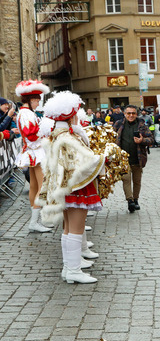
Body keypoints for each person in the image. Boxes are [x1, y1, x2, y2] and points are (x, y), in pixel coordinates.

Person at [37, 91, 105, 284]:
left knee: (68, 229)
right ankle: (73, 270)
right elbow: (81, 162)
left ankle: (69, 268)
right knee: (75, 229)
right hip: (74, 187)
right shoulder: (67, 136)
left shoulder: (57, 135)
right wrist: (103, 157)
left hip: (63, 187)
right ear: (70, 116)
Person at [15, 80, 52, 233]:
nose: (38, 103)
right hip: (36, 151)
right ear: (30, 100)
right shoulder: (27, 114)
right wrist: (46, 133)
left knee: (34, 186)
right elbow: (31, 135)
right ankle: (34, 222)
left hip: (32, 151)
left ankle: (36, 220)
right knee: (42, 187)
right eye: (36, 100)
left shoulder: (24, 113)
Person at [113, 105, 154, 212]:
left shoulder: (142, 125)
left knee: (137, 181)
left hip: (138, 158)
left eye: (133, 113)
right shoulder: (118, 124)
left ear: (136, 114)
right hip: (123, 159)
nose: (131, 115)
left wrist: (142, 140)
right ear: (124, 114)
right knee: (126, 179)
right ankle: (130, 200)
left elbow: (151, 139)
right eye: (129, 113)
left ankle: (136, 200)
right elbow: (111, 137)